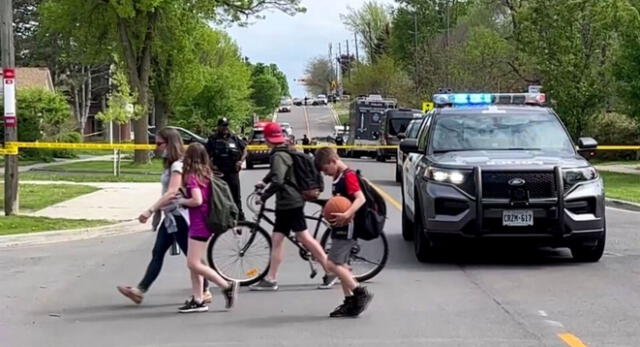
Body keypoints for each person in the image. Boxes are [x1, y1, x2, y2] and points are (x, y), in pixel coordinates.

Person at [117, 127, 211, 305]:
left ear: (170, 144)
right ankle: (140, 291)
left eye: (159, 143)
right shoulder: (173, 165)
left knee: (192, 259)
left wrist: (150, 210)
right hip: (171, 217)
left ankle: (214, 288)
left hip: (180, 217)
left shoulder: (178, 166)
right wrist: (159, 212)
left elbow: (171, 193)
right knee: (158, 252)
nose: (157, 147)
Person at [250, 122, 336, 291]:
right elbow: (277, 173)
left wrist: (264, 196)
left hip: (290, 203)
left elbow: (279, 180)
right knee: (278, 239)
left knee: (303, 238)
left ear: (268, 139)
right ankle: (271, 278)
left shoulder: (278, 155)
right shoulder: (285, 150)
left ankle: (330, 271)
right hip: (290, 202)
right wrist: (264, 181)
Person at [177, 143, 239, 313]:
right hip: (204, 222)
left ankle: (226, 285)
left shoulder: (191, 176)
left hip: (199, 224)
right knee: (193, 263)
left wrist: (181, 201)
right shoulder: (205, 174)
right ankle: (197, 299)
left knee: (193, 263)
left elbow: (196, 200)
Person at [314, 147, 374, 318]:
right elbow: (340, 200)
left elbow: (360, 198)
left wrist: (347, 214)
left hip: (348, 226)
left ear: (333, 161)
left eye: (326, 169)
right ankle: (350, 302)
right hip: (340, 226)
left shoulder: (349, 175)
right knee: (342, 266)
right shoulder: (337, 176)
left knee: (331, 264)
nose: (325, 174)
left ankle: (359, 292)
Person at [206, 117, 247, 220]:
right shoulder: (213, 139)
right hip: (219, 173)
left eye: (226, 125)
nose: (225, 128)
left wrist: (241, 161)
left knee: (236, 196)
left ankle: (239, 217)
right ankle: (223, 218)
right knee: (221, 197)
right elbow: (205, 155)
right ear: (218, 127)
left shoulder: (234, 138)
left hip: (233, 172)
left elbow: (245, 149)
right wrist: (210, 166)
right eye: (223, 126)